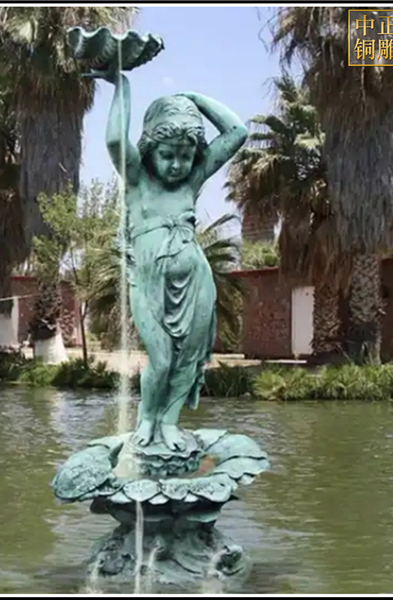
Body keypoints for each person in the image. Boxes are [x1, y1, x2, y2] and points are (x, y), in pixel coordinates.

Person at [90, 67, 247, 451]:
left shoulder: (192, 180)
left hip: (196, 282)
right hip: (146, 281)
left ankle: (170, 423)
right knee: (160, 359)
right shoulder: (138, 181)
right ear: (150, 150)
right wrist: (122, 85)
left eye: (185, 156)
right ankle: (147, 420)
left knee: (188, 359)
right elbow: (115, 140)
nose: (177, 165)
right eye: (167, 155)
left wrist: (195, 99)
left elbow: (237, 132)